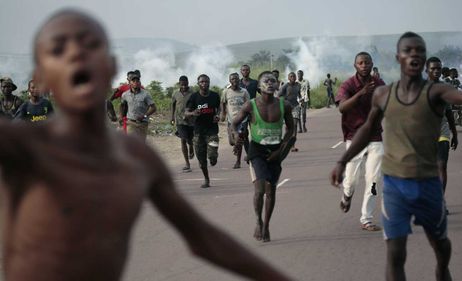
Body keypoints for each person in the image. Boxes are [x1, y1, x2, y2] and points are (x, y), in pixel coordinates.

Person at [0, 10, 292, 281]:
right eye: (59, 48)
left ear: (111, 68)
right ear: (40, 77)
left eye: (89, 45)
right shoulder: (21, 149)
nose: (76, 53)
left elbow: (204, 238)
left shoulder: (136, 158)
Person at [330, 32, 462, 281]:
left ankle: (442, 269)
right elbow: (367, 129)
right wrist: (342, 161)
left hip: (428, 184)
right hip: (395, 187)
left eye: (419, 51)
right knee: (395, 254)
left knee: (441, 247)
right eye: (408, 51)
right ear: (399, 57)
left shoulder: (437, 91)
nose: (414, 55)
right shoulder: (383, 94)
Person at [231, 71, 295, 243]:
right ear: (259, 86)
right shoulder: (250, 105)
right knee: (260, 190)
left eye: (273, 81)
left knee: (271, 191)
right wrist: (238, 136)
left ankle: (267, 225)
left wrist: (281, 151)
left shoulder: (284, 105)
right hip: (257, 150)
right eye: (266, 81)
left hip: (276, 151)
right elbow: (235, 123)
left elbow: (291, 130)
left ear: (277, 85)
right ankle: (258, 221)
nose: (270, 83)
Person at [334, 52, 385, 231]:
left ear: (372, 64)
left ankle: (367, 218)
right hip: (354, 137)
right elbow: (342, 107)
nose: (364, 65)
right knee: (351, 180)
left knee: (373, 180)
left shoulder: (379, 84)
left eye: (367, 62)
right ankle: (347, 195)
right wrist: (361, 93)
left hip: (375, 137)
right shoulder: (348, 84)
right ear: (355, 65)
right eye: (360, 63)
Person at [426, 57, 458, 213]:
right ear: (426, 70)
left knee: (441, 166)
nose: (436, 71)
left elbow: (449, 112)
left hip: (442, 132)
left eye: (438, 68)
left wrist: (455, 134)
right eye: (433, 69)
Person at [185, 74, 220, 188]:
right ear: (198, 83)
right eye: (202, 82)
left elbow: (219, 109)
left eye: (206, 82)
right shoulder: (194, 97)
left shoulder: (215, 96)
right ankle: (206, 179)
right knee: (201, 159)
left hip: (212, 130)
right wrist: (193, 113)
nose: (204, 84)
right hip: (198, 132)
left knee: (212, 157)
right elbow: (186, 113)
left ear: (209, 83)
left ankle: (213, 156)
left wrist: (218, 115)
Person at [221, 72, 250, 169]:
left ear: (239, 80)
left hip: (243, 119)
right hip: (231, 120)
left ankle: (238, 162)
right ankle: (236, 145)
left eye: (236, 79)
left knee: (239, 139)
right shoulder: (226, 91)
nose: (235, 81)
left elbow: (248, 104)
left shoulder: (244, 92)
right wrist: (223, 114)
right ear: (230, 81)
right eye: (233, 79)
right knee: (232, 141)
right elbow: (223, 103)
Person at [119, 70, 156, 140]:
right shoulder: (125, 94)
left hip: (142, 124)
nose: (136, 82)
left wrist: (144, 116)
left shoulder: (146, 94)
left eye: (137, 81)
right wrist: (121, 116)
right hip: (131, 122)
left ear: (140, 82)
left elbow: (153, 108)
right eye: (133, 81)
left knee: (141, 144)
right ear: (129, 83)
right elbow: (122, 105)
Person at [171, 75, 195, 172]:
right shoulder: (175, 93)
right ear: (179, 84)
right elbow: (172, 105)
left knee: (190, 139)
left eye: (185, 84)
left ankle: (191, 147)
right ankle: (187, 163)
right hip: (180, 120)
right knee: (183, 140)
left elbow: (196, 105)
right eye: (182, 85)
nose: (184, 87)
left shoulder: (193, 93)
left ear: (188, 83)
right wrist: (172, 117)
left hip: (191, 121)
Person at [279, 72, 301, 152]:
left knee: (294, 125)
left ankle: (293, 145)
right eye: (291, 76)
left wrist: (300, 99)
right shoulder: (285, 86)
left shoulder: (298, 85)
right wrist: (285, 102)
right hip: (287, 108)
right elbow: (279, 95)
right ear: (288, 78)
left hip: (295, 106)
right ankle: (285, 144)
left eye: (294, 76)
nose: (293, 78)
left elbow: (299, 94)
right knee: (288, 127)